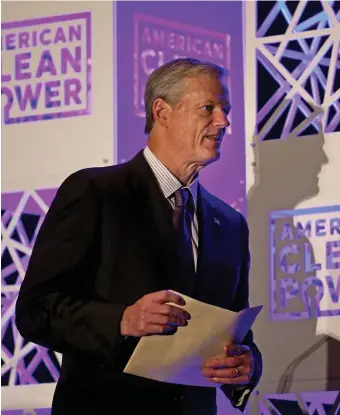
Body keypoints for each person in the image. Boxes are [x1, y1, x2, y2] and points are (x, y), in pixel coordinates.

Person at [15, 58, 262, 415]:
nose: (223, 121)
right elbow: (36, 310)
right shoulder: (96, 193)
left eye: (225, 110)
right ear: (162, 112)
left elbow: (234, 333)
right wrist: (123, 320)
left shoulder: (231, 224)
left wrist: (246, 367)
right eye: (208, 108)